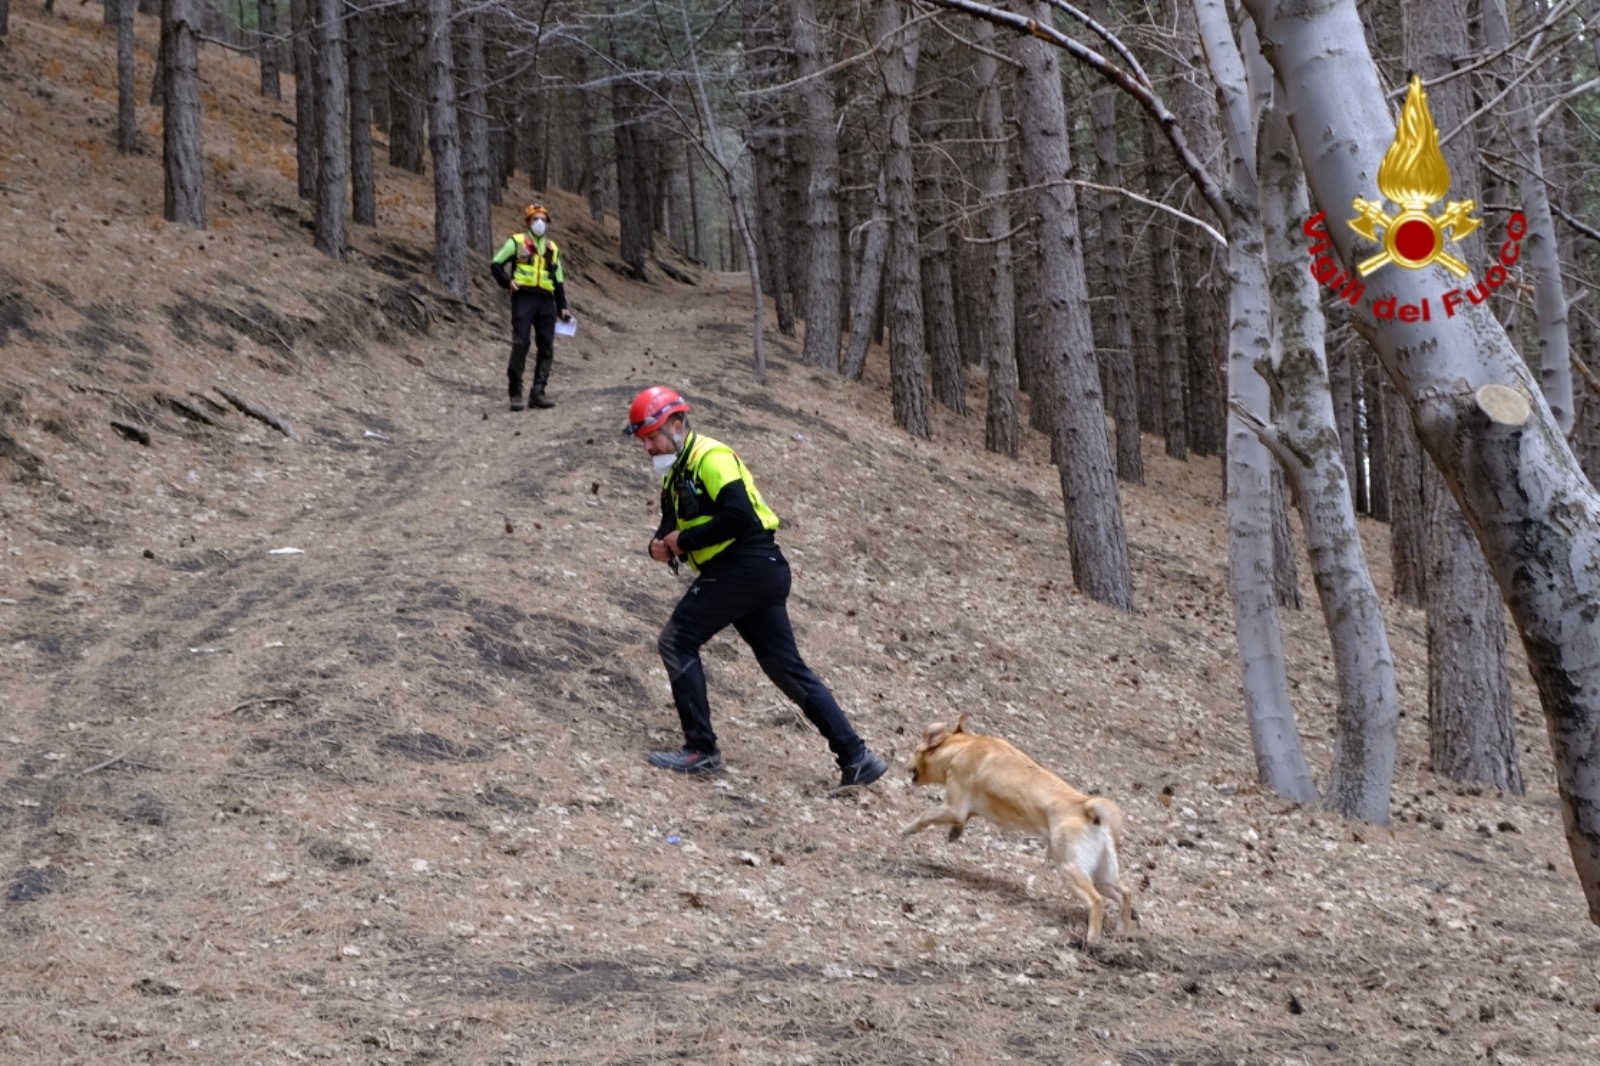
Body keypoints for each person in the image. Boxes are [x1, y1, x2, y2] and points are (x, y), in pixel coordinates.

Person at [624, 386, 889, 787]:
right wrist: (658, 546)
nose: (647, 447)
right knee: (784, 667)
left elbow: (741, 516)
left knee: (676, 640)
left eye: (652, 437)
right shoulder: (676, 473)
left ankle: (701, 750)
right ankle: (856, 757)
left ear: (677, 426)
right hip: (756, 571)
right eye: (643, 440)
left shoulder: (711, 458)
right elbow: (669, 527)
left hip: (745, 565)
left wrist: (687, 542)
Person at [490, 203, 573, 411]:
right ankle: (515, 393)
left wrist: (562, 306)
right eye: (535, 219)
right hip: (524, 298)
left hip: (546, 301)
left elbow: (559, 280)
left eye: (543, 219)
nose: (539, 223)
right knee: (521, 343)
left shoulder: (552, 249)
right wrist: (507, 281)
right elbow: (496, 264)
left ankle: (538, 392)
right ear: (527, 222)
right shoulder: (517, 242)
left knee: (546, 346)